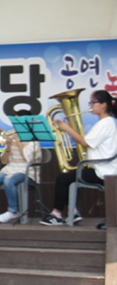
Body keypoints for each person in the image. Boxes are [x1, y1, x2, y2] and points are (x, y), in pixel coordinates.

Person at [40, 89, 117, 225]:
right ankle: (73, 212)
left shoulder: (106, 123)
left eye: (93, 103)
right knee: (69, 178)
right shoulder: (105, 123)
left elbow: (85, 142)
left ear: (104, 105)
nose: (90, 106)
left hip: (103, 171)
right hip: (101, 167)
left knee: (63, 179)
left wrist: (67, 128)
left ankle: (57, 214)